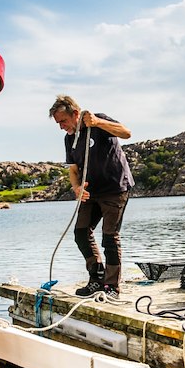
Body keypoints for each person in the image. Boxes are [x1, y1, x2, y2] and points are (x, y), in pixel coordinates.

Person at [49, 95, 134, 297]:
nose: (61, 126)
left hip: (115, 188)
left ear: (75, 114)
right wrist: (77, 188)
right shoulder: (69, 138)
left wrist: (97, 122)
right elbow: (73, 169)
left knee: (109, 237)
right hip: (91, 192)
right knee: (81, 233)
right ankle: (96, 278)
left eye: (63, 121)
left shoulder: (98, 121)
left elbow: (126, 133)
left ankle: (112, 286)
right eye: (58, 123)